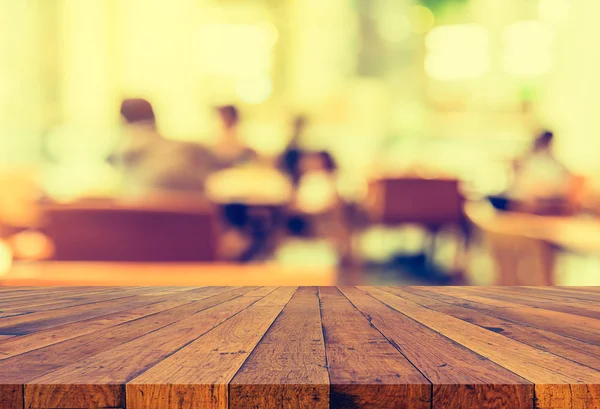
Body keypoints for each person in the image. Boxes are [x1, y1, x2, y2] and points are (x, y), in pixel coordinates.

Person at [110, 98, 217, 198]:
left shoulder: (120, 152)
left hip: (141, 213)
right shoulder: (192, 148)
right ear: (154, 117)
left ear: (123, 120)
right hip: (195, 213)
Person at [510, 130, 573, 203]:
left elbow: (563, 183)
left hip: (546, 198)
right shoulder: (529, 160)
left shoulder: (555, 163)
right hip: (528, 197)